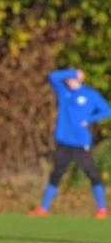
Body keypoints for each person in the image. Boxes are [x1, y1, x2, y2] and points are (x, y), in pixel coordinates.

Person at [29, 69, 111, 218]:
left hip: (81, 143)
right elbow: (52, 76)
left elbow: (107, 110)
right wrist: (72, 72)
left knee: (92, 174)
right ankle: (43, 209)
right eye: (67, 79)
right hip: (64, 141)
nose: (68, 81)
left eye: (72, 79)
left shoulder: (90, 94)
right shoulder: (63, 92)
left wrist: (91, 119)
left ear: (79, 81)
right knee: (56, 174)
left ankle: (102, 209)